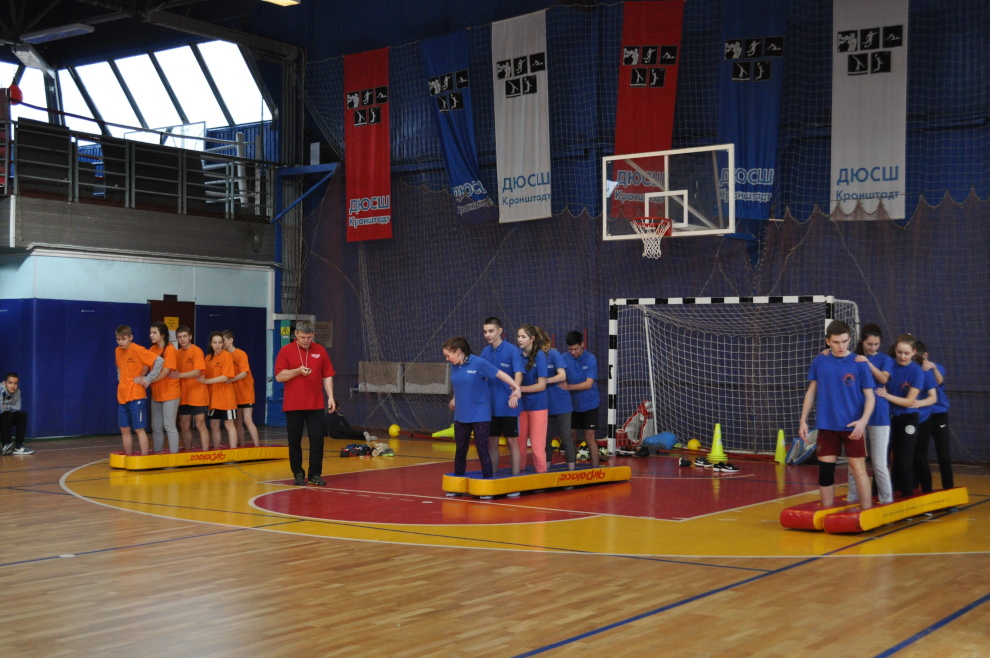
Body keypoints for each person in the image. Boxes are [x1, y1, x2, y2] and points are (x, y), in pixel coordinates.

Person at [799, 320, 875, 510]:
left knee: (858, 470)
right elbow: (811, 391)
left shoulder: (859, 363)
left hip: (852, 426)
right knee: (826, 470)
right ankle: (826, 512)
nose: (841, 346)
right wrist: (803, 421)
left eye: (844, 341)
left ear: (850, 339)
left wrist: (862, 422)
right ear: (828, 341)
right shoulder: (820, 361)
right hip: (826, 425)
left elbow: (870, 397)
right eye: (836, 342)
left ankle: (866, 512)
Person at [443, 336, 521, 486]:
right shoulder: (454, 365)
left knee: (482, 449)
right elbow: (460, 384)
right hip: (461, 415)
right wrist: (455, 399)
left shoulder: (478, 363)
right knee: (461, 449)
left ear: (458, 352)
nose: (447, 359)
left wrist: (516, 387)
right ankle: (458, 483)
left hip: (479, 415)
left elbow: (499, 374)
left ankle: (487, 482)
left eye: (448, 355)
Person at [275, 320, 336, 486]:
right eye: (302, 337)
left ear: (313, 335)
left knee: (317, 440)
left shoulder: (320, 350)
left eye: (309, 337)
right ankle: (298, 473)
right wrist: (297, 371)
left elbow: (327, 375)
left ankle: (315, 474)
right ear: (296, 334)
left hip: (315, 404)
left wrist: (330, 397)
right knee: (294, 440)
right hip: (293, 405)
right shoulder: (286, 351)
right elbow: (279, 376)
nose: (306, 340)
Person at [846, 324, 894, 505]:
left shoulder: (884, 359)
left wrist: (868, 363)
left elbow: (883, 378)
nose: (873, 347)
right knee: (855, 462)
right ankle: (852, 498)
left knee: (879, 463)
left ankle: (886, 500)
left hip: (879, 415)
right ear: (862, 341)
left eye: (876, 344)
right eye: (869, 344)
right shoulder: (853, 358)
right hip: (857, 414)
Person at [876, 334, 925, 499]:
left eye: (906, 353)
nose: (902, 356)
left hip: (907, 418)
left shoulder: (916, 372)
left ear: (914, 352)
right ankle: (877, 496)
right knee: (881, 460)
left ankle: (907, 496)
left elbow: (909, 401)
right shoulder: (888, 364)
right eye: (899, 352)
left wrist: (886, 395)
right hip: (887, 418)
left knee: (904, 461)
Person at [480, 317, 524, 476]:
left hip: (508, 405)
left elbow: (518, 373)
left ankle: (515, 477)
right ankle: (492, 476)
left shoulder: (512, 350)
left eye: (491, 331)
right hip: (490, 407)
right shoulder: (485, 352)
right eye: (485, 332)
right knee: (492, 441)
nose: (488, 335)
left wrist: (515, 392)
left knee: (512, 441)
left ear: (500, 331)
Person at [114, 325, 164, 456]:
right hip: (122, 395)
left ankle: (144, 457)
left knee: (139, 428)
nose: (121, 342)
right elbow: (119, 367)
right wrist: (120, 379)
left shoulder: (137, 349)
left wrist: (148, 378)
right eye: (118, 339)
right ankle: (129, 456)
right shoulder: (117, 351)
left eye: (124, 339)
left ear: (131, 337)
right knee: (124, 428)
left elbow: (159, 361)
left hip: (136, 395)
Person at [560, 331, 601, 468]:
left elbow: (588, 384)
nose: (573, 352)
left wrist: (569, 387)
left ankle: (596, 470)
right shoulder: (563, 358)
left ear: (582, 344)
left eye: (576, 349)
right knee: (571, 437)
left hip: (590, 404)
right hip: (572, 405)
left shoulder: (590, 359)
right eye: (570, 349)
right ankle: (572, 468)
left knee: (589, 437)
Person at [916, 342, 953, 490]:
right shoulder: (913, 369)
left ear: (926, 355)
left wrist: (933, 368)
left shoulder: (937, 367)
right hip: (922, 415)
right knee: (919, 454)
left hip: (938, 415)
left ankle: (949, 488)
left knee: (943, 453)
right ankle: (919, 487)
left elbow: (939, 381)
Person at [170, 326, 211, 451]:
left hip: (197, 393)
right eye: (179, 337)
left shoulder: (197, 351)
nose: (182, 339)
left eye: (185, 336)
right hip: (183, 395)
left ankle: (205, 453)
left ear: (190, 337)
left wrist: (180, 375)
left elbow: (197, 371)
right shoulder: (176, 353)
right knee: (184, 425)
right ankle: (188, 451)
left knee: (200, 423)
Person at [539, 328, 575, 470]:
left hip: (561, 403)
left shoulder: (553, 353)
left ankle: (571, 470)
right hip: (545, 403)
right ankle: (546, 468)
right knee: (546, 439)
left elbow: (562, 375)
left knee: (565, 437)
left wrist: (545, 381)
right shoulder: (533, 356)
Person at [516, 324, 549, 473]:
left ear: (532, 339)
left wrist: (519, 389)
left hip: (538, 406)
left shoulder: (540, 355)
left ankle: (541, 474)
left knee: (537, 445)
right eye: (518, 336)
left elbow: (541, 385)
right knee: (519, 443)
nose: (519, 339)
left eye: (523, 337)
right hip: (521, 406)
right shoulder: (517, 354)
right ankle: (519, 473)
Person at [198, 331, 238, 449]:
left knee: (229, 424)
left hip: (227, 398)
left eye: (220, 342)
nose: (217, 345)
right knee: (214, 424)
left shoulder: (227, 356)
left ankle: (233, 452)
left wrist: (206, 381)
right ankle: (216, 451)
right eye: (215, 342)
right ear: (211, 344)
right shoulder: (208, 358)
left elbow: (225, 377)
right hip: (213, 398)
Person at [147, 322, 180, 453]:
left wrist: (148, 381)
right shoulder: (152, 349)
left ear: (162, 335)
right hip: (156, 393)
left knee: (169, 425)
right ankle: (157, 453)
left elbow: (165, 372)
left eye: (154, 332)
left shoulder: (170, 349)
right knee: (156, 426)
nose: (151, 335)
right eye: (150, 332)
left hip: (170, 394)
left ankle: (174, 456)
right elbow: (145, 367)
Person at [223, 330, 260, 448]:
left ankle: (257, 446)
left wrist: (231, 379)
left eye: (223, 340)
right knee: (237, 422)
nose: (222, 343)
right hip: (234, 394)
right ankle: (242, 446)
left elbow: (244, 373)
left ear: (230, 340)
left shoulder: (241, 354)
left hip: (246, 392)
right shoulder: (224, 355)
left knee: (247, 420)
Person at [1, 372, 32, 455]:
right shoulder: (1, 389)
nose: (13, 386)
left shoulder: (18, 392)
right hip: (3, 417)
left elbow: (18, 408)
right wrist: (9, 407)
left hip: (6, 418)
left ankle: (18, 446)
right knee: (7, 414)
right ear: (5, 383)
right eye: (10, 383)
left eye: (15, 383)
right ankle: (5, 445)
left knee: (21, 415)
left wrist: (6, 406)